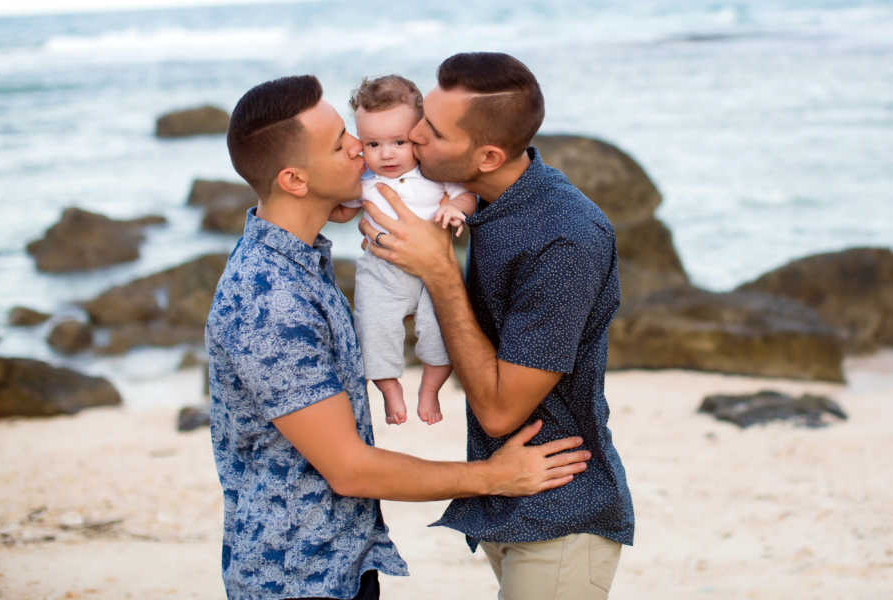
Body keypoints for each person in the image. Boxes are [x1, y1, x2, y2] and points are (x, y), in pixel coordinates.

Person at [206, 74, 593, 600]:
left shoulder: (300, 261)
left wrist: (340, 204)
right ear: (295, 180)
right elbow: (349, 469)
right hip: (296, 578)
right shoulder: (269, 296)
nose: (359, 149)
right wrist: (492, 477)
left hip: (338, 563)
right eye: (341, 143)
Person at [357, 52, 635, 600]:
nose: (411, 135)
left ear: (486, 155)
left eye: (430, 131)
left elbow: (501, 409)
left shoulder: (566, 240)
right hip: (505, 499)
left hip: (559, 509)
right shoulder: (484, 199)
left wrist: (438, 270)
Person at [337, 75, 477, 426]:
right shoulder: (366, 184)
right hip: (381, 273)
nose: (386, 154)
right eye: (372, 144)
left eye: (398, 141)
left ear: (418, 135)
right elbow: (340, 211)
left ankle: (429, 390)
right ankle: (389, 390)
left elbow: (467, 196)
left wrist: (455, 209)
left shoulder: (435, 176)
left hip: (434, 273)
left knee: (442, 334)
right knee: (374, 329)